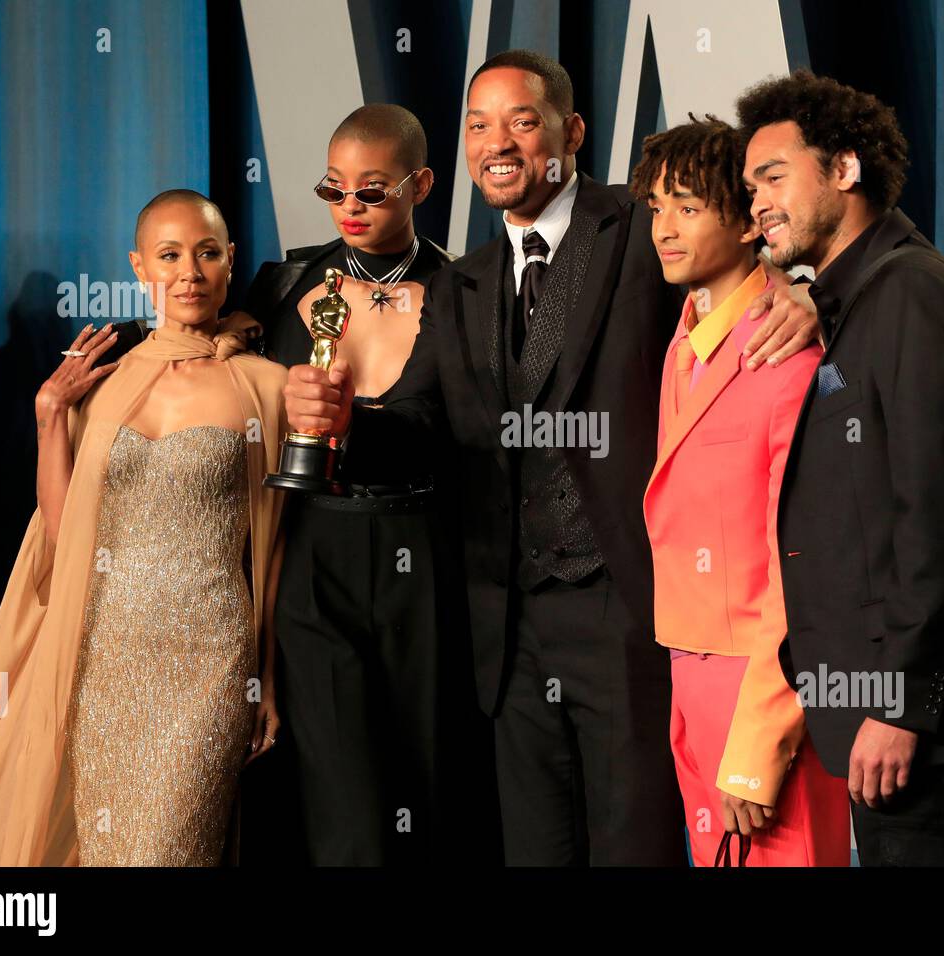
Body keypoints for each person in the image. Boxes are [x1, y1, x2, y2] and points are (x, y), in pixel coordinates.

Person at [284, 51, 821, 865]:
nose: (497, 143)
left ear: (570, 132)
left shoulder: (643, 224)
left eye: (522, 122)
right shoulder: (464, 283)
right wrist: (348, 422)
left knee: (632, 848)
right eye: (478, 125)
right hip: (508, 626)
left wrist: (806, 288)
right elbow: (430, 429)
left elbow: (750, 236)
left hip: (628, 612)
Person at [737, 70, 944, 865]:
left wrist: (900, 706)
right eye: (750, 186)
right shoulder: (859, 299)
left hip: (931, 728)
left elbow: (943, 523)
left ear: (846, 169)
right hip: (888, 717)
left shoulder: (918, 298)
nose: (757, 203)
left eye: (775, 176)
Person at [0, 190, 290, 865]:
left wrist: (267, 678)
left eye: (206, 253)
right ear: (139, 267)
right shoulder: (106, 386)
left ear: (231, 262)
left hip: (210, 664)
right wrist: (51, 414)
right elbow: (63, 535)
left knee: (170, 851)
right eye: (169, 255)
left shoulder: (264, 386)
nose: (189, 272)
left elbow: (279, 546)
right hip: (105, 659)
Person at [243, 104, 492, 865]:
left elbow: (471, 442)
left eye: (371, 191)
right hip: (317, 559)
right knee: (343, 806)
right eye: (334, 189)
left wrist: (360, 426)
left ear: (420, 185)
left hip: (427, 559)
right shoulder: (284, 286)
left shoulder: (467, 294)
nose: (349, 207)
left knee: (426, 790)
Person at [633, 115, 850, 866]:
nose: (665, 227)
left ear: (750, 220)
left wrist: (762, 733)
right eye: (656, 207)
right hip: (688, 674)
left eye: (688, 207)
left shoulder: (788, 347)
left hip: (767, 689)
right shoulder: (685, 341)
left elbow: (803, 562)